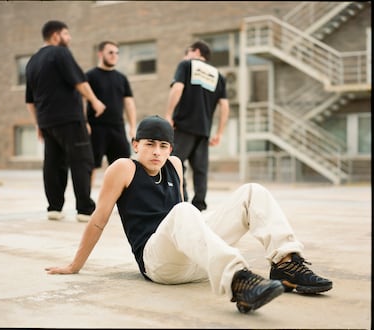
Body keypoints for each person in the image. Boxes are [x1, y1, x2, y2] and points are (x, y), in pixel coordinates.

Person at [45, 115, 333, 314]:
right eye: (149, 144)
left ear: (170, 147)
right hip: (158, 264)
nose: (156, 152)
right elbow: (98, 220)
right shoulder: (124, 168)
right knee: (184, 210)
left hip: (193, 260)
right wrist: (74, 265)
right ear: (136, 145)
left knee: (251, 191)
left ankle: (286, 263)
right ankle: (239, 281)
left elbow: (187, 224)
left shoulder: (175, 165)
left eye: (163, 146)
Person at [25, 20, 106, 222]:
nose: (69, 39)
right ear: (56, 35)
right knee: (82, 161)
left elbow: (29, 101)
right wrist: (95, 101)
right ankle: (85, 210)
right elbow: (79, 81)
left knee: (53, 164)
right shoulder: (60, 53)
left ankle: (54, 208)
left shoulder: (32, 61)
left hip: (46, 122)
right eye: (67, 34)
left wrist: (37, 124)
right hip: (69, 118)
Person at [165, 40, 230, 211]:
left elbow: (177, 88)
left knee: (175, 163)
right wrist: (220, 132)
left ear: (195, 51)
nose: (185, 56)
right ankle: (199, 204)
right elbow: (224, 105)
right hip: (204, 130)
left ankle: (182, 201)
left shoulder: (186, 65)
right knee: (200, 169)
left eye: (187, 52)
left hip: (183, 126)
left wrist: (168, 114)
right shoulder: (218, 75)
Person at [85, 40, 137, 185]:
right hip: (96, 128)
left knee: (124, 165)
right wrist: (84, 123)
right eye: (111, 52)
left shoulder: (121, 78)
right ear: (100, 54)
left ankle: (124, 204)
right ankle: (86, 205)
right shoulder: (90, 76)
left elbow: (129, 103)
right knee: (91, 166)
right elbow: (80, 101)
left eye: (117, 53)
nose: (115, 56)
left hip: (117, 128)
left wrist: (132, 126)